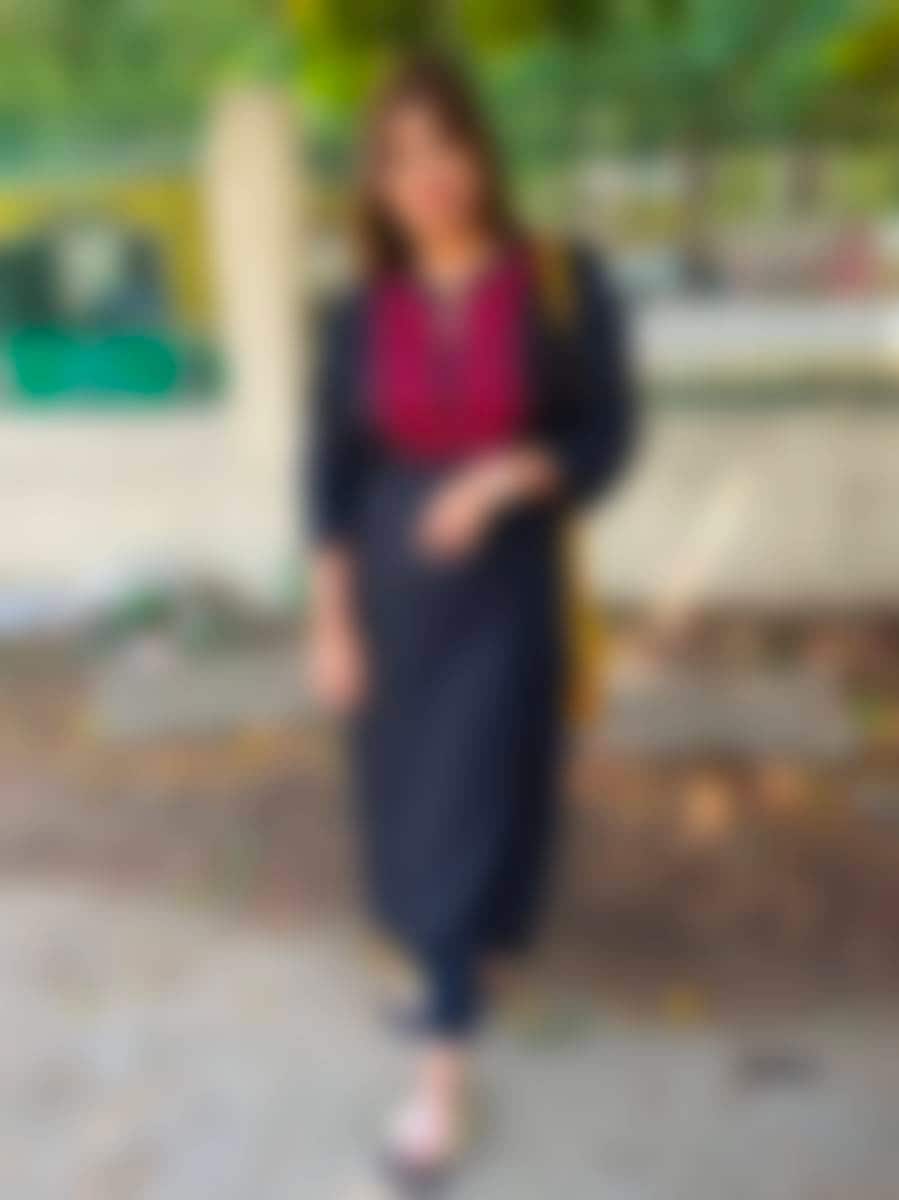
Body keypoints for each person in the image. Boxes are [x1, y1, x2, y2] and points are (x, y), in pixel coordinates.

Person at [307, 53, 635, 1187]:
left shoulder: (558, 281)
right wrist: (331, 621)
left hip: (505, 599)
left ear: (481, 152)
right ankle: (458, 971)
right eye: (399, 158)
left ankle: (437, 1075)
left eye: (444, 145)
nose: (427, 175)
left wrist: (503, 479)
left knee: (474, 812)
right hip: (390, 614)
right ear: (376, 182)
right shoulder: (357, 312)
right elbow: (330, 476)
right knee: (410, 820)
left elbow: (607, 436)